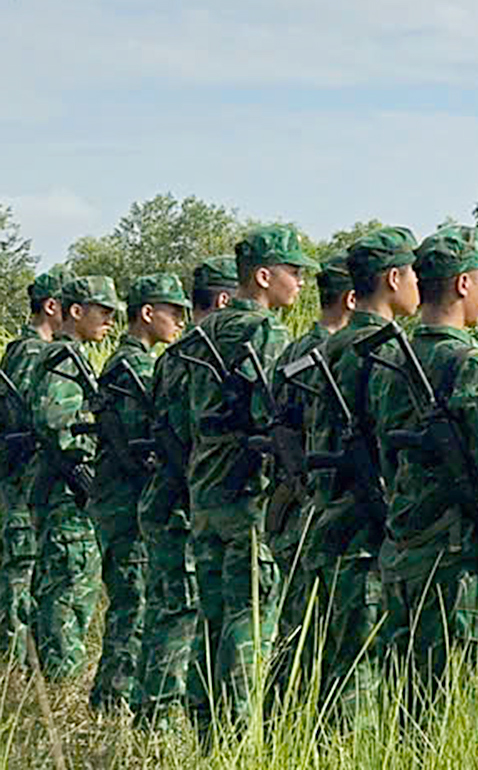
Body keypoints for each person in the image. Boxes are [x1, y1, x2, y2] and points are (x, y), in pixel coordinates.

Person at [372, 224, 478, 713]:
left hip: (402, 557)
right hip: (460, 570)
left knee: (408, 710)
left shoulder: (388, 362)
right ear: (461, 284)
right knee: (458, 716)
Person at [188, 226, 316, 733]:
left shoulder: (200, 334)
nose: (301, 282)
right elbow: (275, 412)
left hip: (205, 486)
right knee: (252, 613)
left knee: (213, 614)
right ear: (264, 277)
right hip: (249, 494)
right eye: (294, 271)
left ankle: (202, 728)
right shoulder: (265, 335)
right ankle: (239, 733)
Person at [297, 226, 417, 724]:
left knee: (332, 664)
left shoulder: (327, 347)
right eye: (412, 273)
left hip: (328, 520)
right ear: (393, 278)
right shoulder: (386, 351)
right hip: (367, 529)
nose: (418, 284)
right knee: (361, 675)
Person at [137, 256, 235, 731]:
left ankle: (167, 715)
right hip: (191, 503)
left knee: (186, 613)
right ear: (223, 299)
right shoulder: (207, 354)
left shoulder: (173, 360)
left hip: (183, 500)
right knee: (185, 611)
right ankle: (161, 717)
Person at [87, 272, 189, 714]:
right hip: (127, 504)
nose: (180, 322)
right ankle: (114, 701)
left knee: (131, 602)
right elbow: (139, 445)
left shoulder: (123, 364)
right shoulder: (136, 368)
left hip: (118, 501)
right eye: (173, 311)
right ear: (147, 313)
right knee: (135, 603)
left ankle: (110, 696)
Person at [266, 251, 352, 706]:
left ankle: (280, 712)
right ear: (352, 299)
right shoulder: (340, 354)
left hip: (291, 509)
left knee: (294, 623)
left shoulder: (293, 350)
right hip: (317, 506)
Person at [31, 275, 121, 681]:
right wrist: (83, 473)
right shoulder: (64, 359)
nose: (110, 322)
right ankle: (60, 680)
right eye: (104, 312)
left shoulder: (71, 356)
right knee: (70, 589)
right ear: (76, 311)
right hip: (68, 493)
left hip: (67, 490)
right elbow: (55, 423)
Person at [0, 267, 69, 665]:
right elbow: (31, 420)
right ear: (52, 306)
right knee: (20, 567)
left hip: (20, 479)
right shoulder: (31, 353)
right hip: (22, 479)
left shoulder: (18, 350)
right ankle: (14, 660)